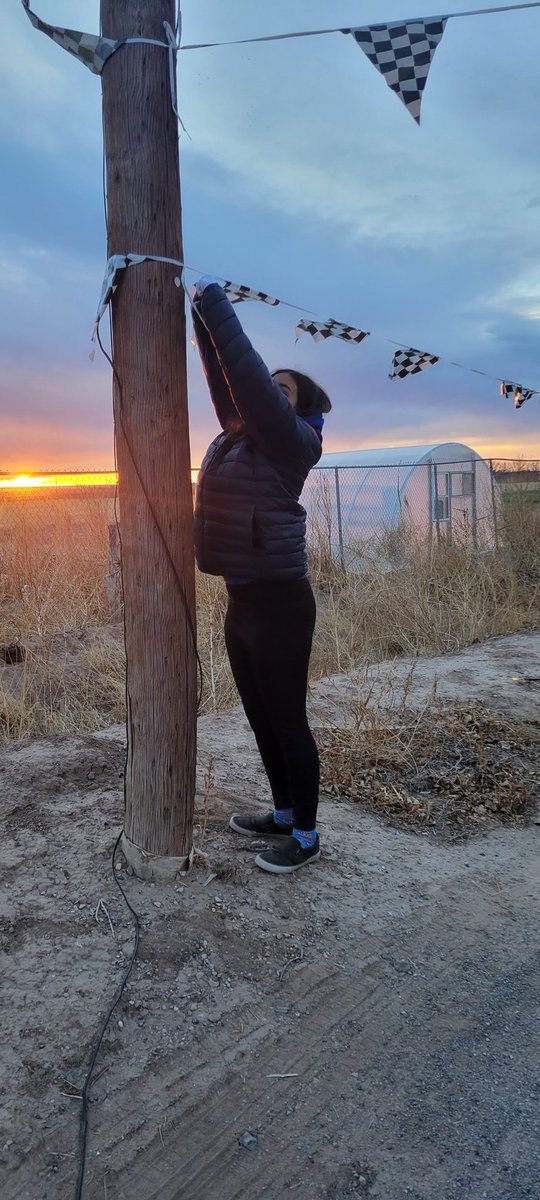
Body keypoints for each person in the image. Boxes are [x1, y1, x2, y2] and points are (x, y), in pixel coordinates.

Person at [191, 277, 332, 874]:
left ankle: (304, 835)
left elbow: (247, 375)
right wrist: (198, 316)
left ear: (298, 407)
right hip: (241, 600)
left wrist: (216, 301)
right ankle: (280, 811)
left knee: (287, 715)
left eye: (283, 390)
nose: (269, 395)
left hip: (279, 603)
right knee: (258, 711)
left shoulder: (293, 441)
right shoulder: (243, 433)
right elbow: (227, 378)